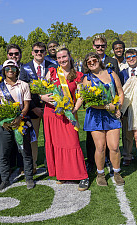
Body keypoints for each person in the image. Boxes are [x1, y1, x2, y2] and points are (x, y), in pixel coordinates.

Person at [42, 47, 89, 191]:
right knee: (56, 144)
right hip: (52, 113)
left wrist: (75, 109)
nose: (62, 60)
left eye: (64, 57)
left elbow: (81, 95)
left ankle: (82, 176)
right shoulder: (52, 72)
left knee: (73, 143)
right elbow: (42, 90)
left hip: (69, 113)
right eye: (59, 58)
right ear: (56, 59)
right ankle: (63, 173)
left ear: (69, 57)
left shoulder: (78, 75)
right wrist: (42, 97)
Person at [82, 52, 125, 186]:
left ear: (99, 60)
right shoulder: (87, 79)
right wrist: (108, 106)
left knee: (114, 147)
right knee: (100, 147)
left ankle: (117, 172)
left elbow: (120, 92)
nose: (92, 63)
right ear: (86, 65)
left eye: (94, 60)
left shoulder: (111, 73)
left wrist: (118, 107)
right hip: (95, 115)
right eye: (89, 62)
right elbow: (89, 101)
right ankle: (100, 174)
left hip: (112, 114)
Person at [0, 60, 35, 191]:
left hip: (20, 123)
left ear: (17, 70)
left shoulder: (24, 85)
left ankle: (29, 177)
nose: (11, 70)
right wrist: (0, 120)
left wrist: (19, 117)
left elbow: (26, 104)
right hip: (4, 125)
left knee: (25, 151)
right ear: (4, 71)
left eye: (13, 68)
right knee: (4, 153)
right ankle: (5, 180)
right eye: (8, 68)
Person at [20, 42, 58, 174]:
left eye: (42, 51)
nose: (39, 53)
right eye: (36, 51)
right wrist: (33, 107)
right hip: (33, 109)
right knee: (33, 139)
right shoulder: (25, 68)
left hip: (51, 108)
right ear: (32, 52)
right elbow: (23, 91)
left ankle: (51, 164)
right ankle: (33, 164)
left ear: (46, 52)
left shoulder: (53, 67)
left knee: (50, 138)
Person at [85, 35, 120, 173]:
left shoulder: (112, 63)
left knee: (114, 145)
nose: (100, 48)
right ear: (94, 46)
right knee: (97, 145)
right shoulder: (87, 72)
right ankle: (95, 166)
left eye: (102, 46)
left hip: (111, 110)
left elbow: (118, 87)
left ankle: (113, 165)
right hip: (95, 112)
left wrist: (118, 106)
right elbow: (86, 93)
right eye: (97, 46)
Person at [119, 49, 137, 166]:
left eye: (133, 56)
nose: (131, 59)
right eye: (128, 57)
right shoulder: (122, 73)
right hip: (127, 106)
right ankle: (127, 155)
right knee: (127, 133)